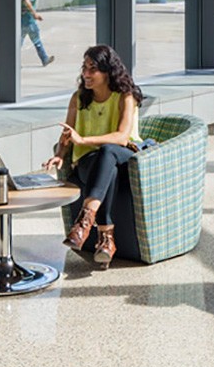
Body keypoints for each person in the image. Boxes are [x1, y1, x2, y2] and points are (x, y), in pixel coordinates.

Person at [43, 44, 143, 270]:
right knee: (107, 169)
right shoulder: (78, 98)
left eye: (93, 69)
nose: (86, 74)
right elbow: (67, 133)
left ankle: (84, 222)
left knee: (108, 152)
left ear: (108, 71)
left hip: (126, 158)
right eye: (84, 68)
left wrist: (83, 140)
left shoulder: (125, 96)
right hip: (90, 162)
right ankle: (106, 239)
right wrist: (60, 154)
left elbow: (121, 137)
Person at [21, 0, 55, 68]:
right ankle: (45, 59)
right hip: (29, 22)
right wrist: (35, 14)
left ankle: (13, 61)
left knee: (19, 43)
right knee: (37, 42)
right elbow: (27, 2)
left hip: (21, 22)